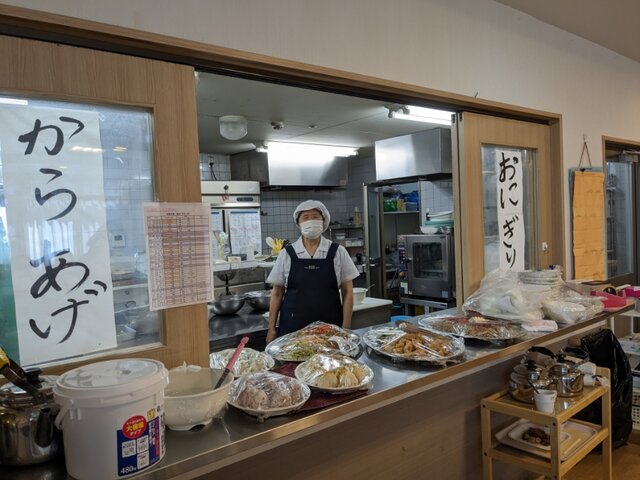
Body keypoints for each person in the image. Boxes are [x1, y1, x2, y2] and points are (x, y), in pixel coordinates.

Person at [266, 200, 360, 342]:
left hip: (330, 329)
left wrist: (345, 328)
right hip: (292, 329)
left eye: (315, 217)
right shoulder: (287, 253)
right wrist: (271, 329)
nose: (311, 221)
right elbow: (277, 293)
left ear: (323, 221)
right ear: (298, 224)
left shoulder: (337, 251)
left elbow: (348, 292)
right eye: (305, 217)